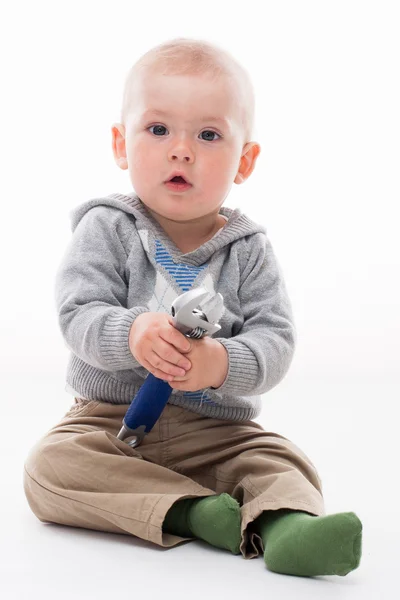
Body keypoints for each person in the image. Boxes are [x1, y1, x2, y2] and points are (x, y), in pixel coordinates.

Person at [23, 37, 362, 578]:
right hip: (110, 423)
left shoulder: (248, 251)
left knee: (281, 461)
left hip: (216, 432)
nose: (182, 150)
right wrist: (132, 333)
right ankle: (198, 514)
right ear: (120, 144)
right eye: (158, 130)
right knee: (49, 469)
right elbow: (78, 312)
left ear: (245, 160)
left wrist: (219, 365)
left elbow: (275, 342)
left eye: (208, 135)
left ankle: (287, 529)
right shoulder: (107, 228)